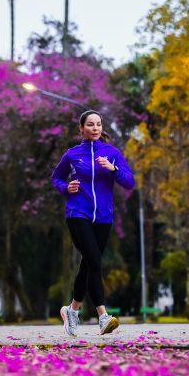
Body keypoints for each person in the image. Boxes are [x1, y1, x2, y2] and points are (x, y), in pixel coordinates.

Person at [51, 110, 135, 337]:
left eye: (98, 124)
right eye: (90, 124)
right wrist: (65, 187)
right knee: (95, 261)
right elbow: (56, 177)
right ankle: (103, 316)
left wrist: (113, 169)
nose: (95, 128)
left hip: (104, 218)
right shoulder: (72, 155)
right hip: (78, 213)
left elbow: (129, 182)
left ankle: (72, 311)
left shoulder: (112, 153)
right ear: (82, 128)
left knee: (88, 265)